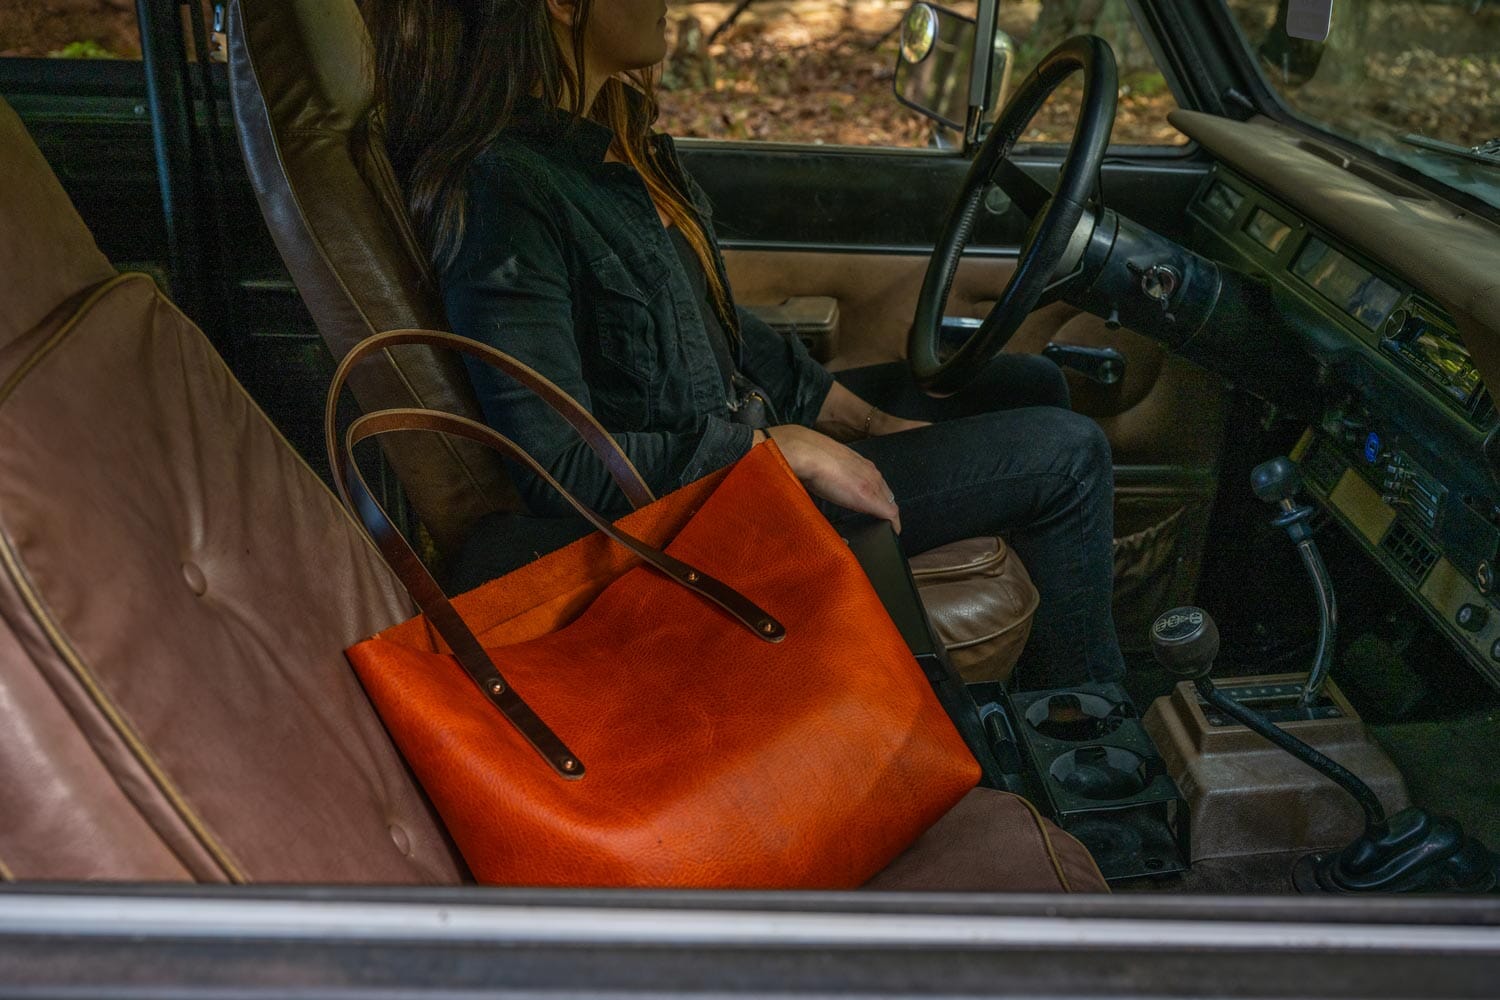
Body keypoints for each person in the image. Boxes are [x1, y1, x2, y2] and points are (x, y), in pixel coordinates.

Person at [365, 0, 1124, 688]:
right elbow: (558, 469)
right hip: (693, 513)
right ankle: (1093, 739)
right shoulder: (507, 186)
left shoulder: (612, 140)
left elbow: (712, 325)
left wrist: (854, 419)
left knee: (1030, 384)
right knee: (1069, 455)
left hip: (735, 445)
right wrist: (775, 450)